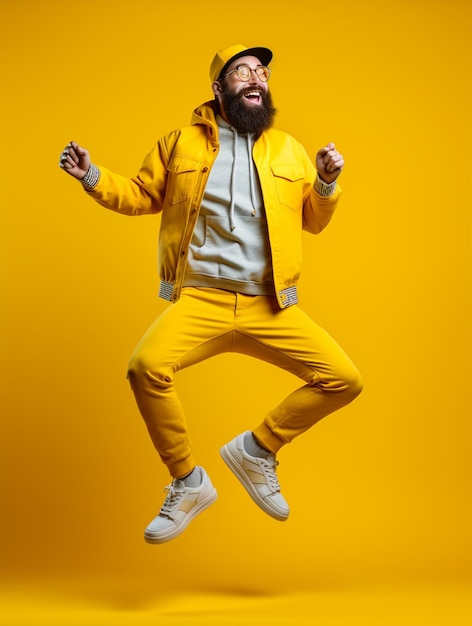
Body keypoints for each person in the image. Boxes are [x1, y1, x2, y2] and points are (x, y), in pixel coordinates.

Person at [59, 44, 363, 544]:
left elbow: (312, 220)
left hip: (270, 303)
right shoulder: (178, 144)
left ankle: (257, 450)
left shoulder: (288, 149)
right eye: (242, 70)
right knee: (144, 367)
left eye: (262, 72)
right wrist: (92, 176)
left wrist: (327, 183)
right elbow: (140, 195)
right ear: (218, 88)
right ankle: (187, 482)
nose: (256, 77)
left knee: (344, 379)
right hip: (201, 299)